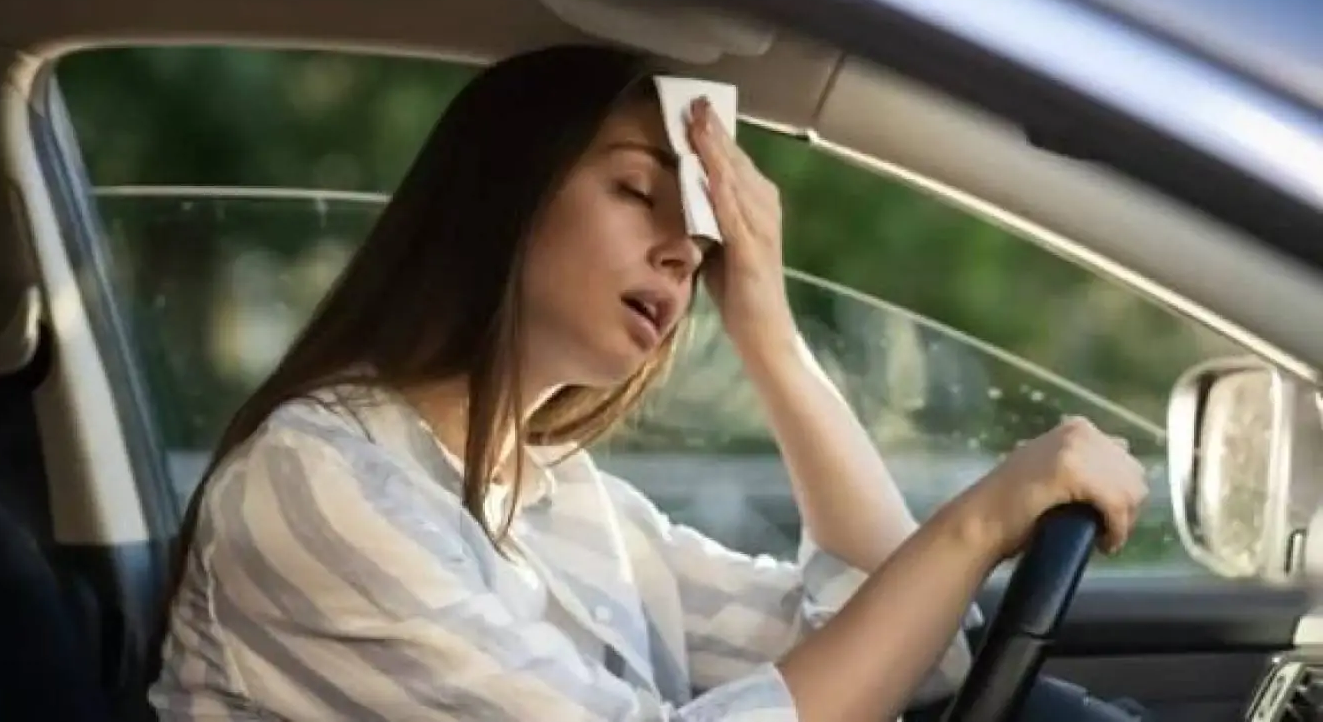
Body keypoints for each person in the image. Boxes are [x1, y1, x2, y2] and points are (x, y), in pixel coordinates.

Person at [150, 44, 1150, 722]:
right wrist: (977, 521)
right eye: (636, 189)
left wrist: (766, 330)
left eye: (701, 236)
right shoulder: (315, 483)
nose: (682, 249)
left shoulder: (569, 503)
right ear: (503, 195)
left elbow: (912, 655)